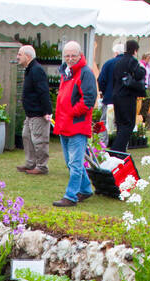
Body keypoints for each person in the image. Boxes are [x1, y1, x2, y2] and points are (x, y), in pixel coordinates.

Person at [52, 41, 97, 208]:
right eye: (67, 56)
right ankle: (85, 189)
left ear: (80, 55)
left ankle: (71, 196)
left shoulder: (85, 73)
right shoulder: (67, 72)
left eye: (73, 56)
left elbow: (88, 101)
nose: (70, 59)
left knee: (75, 163)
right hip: (65, 123)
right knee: (70, 162)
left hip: (76, 125)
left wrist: (71, 112)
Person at [16, 44, 52, 175]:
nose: (17, 57)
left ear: (28, 56)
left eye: (20, 54)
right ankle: (30, 163)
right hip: (30, 114)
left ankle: (42, 167)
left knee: (39, 140)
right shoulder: (29, 70)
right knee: (26, 137)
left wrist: (47, 112)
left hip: (38, 113)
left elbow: (43, 91)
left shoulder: (36, 70)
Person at [109, 39, 145, 155]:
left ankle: (120, 152)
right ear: (135, 50)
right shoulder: (132, 61)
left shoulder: (118, 62)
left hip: (117, 95)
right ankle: (116, 150)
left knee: (120, 123)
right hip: (127, 96)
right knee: (128, 124)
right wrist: (142, 68)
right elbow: (139, 74)